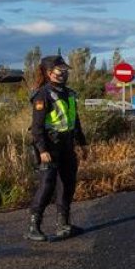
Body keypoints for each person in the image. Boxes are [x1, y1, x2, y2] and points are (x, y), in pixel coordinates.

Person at [25, 55, 88, 242]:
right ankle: (33, 226)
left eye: (65, 71)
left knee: (67, 184)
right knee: (47, 185)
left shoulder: (69, 94)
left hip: (67, 145)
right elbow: (36, 128)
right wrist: (42, 149)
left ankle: (63, 224)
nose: (64, 74)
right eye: (60, 71)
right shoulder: (42, 95)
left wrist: (82, 143)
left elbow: (75, 121)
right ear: (49, 72)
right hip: (50, 147)